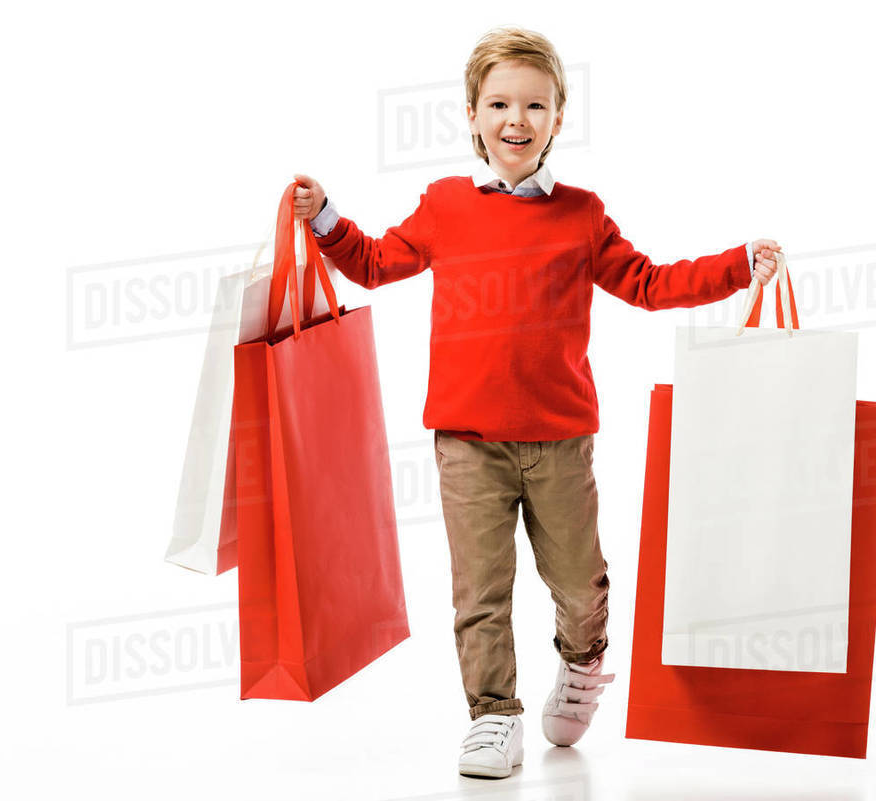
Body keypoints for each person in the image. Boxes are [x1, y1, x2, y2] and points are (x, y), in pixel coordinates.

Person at [291, 26, 781, 780]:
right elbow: (377, 261)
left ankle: (582, 663)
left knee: (581, 582)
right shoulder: (447, 204)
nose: (515, 119)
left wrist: (734, 267)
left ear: (558, 117)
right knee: (480, 591)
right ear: (472, 113)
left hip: (559, 442)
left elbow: (648, 282)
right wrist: (326, 217)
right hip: (467, 442)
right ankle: (494, 716)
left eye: (534, 105)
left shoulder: (581, 214)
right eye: (499, 104)